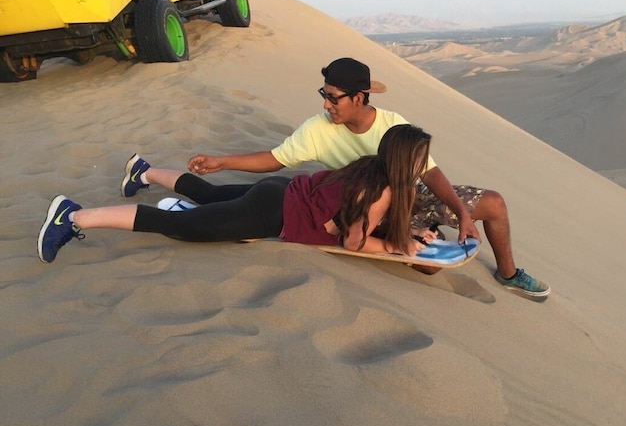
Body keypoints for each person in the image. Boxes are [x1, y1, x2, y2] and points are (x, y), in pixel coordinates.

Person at [125, 57, 549, 298]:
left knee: (491, 202)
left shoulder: (393, 126)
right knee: (428, 269)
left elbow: (429, 171)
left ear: (359, 98)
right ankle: (151, 178)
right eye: (323, 95)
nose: (325, 103)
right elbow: (276, 159)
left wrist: (461, 211)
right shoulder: (316, 128)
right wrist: (223, 160)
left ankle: (509, 275)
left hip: (406, 194)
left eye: (332, 97)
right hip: (355, 204)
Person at [38, 124, 440, 263]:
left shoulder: (371, 167)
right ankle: (73, 216)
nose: (424, 165)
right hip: (270, 216)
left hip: (277, 192)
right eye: (421, 159)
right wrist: (392, 248)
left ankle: (144, 173)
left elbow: (359, 217)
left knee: (209, 195)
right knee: (177, 225)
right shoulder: (382, 191)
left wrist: (407, 232)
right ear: (406, 162)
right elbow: (354, 242)